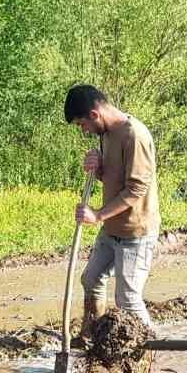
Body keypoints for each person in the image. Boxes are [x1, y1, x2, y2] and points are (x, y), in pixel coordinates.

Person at [64, 84, 161, 338]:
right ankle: (92, 338)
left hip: (135, 232)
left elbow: (136, 189)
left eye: (82, 125)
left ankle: (149, 349)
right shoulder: (106, 134)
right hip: (112, 229)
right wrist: (97, 169)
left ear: (94, 114)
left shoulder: (134, 135)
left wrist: (97, 215)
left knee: (127, 299)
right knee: (91, 279)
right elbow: (114, 178)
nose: (84, 131)